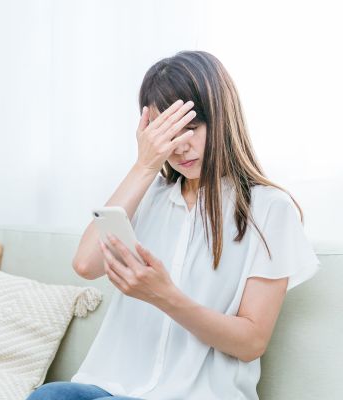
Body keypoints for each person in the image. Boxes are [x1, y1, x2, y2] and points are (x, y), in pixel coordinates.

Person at [26, 50, 321, 400]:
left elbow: (251, 342)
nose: (180, 146)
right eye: (167, 133)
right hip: (113, 387)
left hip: (196, 394)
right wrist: (144, 166)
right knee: (48, 396)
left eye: (191, 128)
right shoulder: (149, 194)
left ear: (222, 120)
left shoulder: (269, 209)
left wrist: (166, 297)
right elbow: (86, 264)